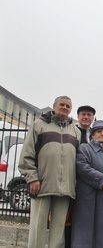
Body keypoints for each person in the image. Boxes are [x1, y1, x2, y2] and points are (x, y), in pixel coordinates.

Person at [18, 95, 81, 248]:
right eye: (62, 104)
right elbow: (27, 155)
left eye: (68, 106)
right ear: (54, 106)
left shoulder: (75, 131)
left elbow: (78, 159)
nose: (65, 108)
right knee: (38, 227)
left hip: (65, 188)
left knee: (59, 230)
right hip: (42, 185)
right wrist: (32, 179)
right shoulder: (39, 125)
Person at [71, 120, 103, 247]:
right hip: (88, 197)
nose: (102, 134)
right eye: (99, 132)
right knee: (86, 230)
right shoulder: (84, 149)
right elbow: (82, 167)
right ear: (92, 134)